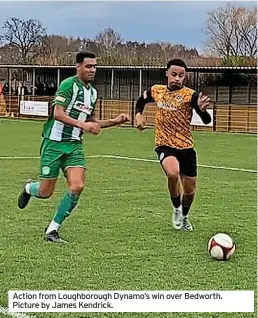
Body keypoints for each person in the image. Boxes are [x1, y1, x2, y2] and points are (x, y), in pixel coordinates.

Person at [18, 52, 129, 243]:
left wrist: (114, 121)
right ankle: (29, 188)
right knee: (45, 192)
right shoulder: (68, 85)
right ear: (78, 67)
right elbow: (58, 114)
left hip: (75, 146)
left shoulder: (92, 93)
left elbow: (91, 121)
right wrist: (83, 125)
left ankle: (52, 229)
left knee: (77, 186)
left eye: (95, 66)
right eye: (88, 66)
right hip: (53, 144)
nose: (92, 70)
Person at [135, 59, 211, 231]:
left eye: (181, 76)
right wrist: (139, 115)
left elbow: (206, 120)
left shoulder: (190, 95)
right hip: (164, 143)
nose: (177, 78)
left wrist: (202, 110)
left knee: (190, 191)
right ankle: (176, 208)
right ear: (167, 74)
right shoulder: (157, 90)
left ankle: (184, 215)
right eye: (174, 74)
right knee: (172, 172)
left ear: (185, 77)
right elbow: (141, 100)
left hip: (186, 147)